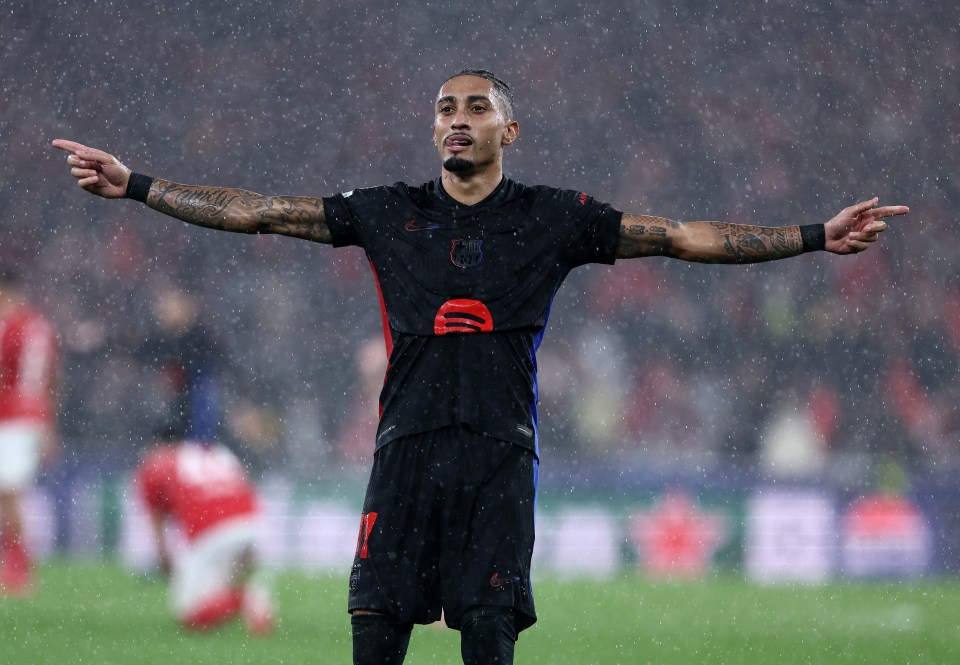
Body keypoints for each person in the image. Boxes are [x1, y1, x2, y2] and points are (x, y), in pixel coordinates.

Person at [53, 68, 908, 664]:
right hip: (406, 448)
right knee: (374, 627)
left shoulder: (555, 217)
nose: (457, 117)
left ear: (510, 128)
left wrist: (813, 235)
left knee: (488, 633)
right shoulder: (386, 213)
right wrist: (137, 185)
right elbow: (262, 213)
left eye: (476, 106)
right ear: (432, 127)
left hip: (500, 454)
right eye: (444, 107)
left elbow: (684, 236)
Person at [133, 421, 274, 634]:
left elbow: (158, 524)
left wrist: (165, 560)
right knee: (217, 590)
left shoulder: (157, 463)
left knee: (189, 612)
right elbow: (245, 489)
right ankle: (245, 603)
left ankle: (246, 598)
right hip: (248, 521)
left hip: (210, 529)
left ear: (157, 444)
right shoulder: (217, 452)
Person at [0, 268, 59, 596]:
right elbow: (52, 377)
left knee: (8, 492)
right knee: (10, 492)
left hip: (10, 415)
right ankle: (17, 562)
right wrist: (48, 422)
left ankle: (18, 566)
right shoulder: (39, 325)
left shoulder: (8, 325)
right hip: (31, 415)